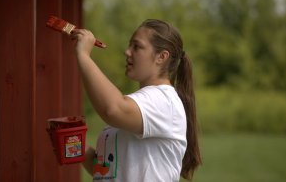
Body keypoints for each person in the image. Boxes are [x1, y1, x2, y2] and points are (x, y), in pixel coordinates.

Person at [71, 19, 202, 181]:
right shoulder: (140, 103)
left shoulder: (164, 102)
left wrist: (83, 55)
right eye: (129, 46)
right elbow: (105, 169)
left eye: (137, 46)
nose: (127, 52)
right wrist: (73, 143)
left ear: (162, 57)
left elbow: (113, 109)